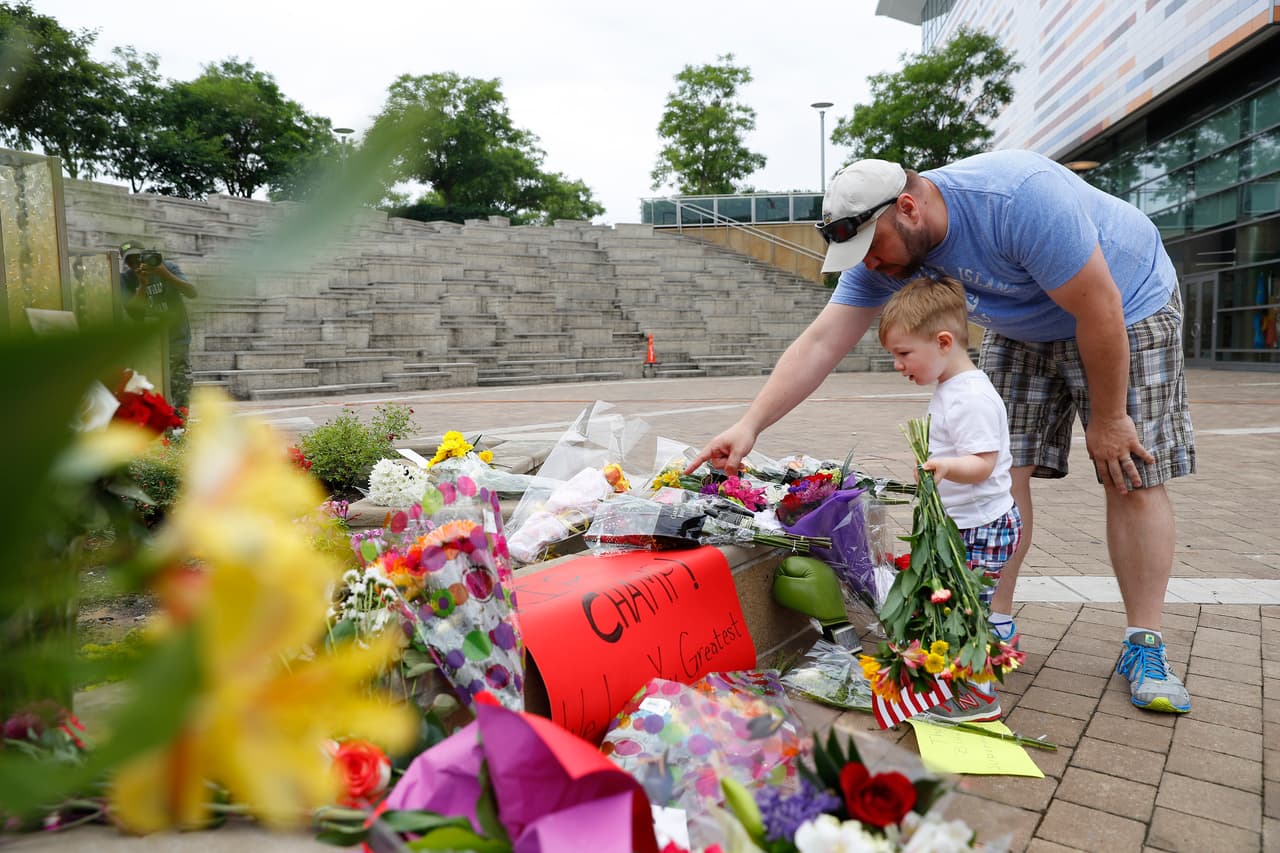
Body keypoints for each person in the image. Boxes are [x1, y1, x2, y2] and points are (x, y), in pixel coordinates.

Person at [689, 150, 1194, 714]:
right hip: (1020, 325)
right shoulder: (885, 248)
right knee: (1002, 471)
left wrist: (1110, 419)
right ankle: (990, 624)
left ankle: (1143, 642)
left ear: (907, 208)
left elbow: (1098, 306)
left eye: (874, 251)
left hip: (1125, 308)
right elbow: (821, 341)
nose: (873, 266)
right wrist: (749, 424)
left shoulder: (1017, 200)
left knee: (1128, 471)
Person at [877, 275, 1021, 722]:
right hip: (969, 521)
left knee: (965, 608)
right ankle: (954, 680)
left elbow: (981, 462)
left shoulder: (970, 397)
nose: (899, 366)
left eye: (903, 354)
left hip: (981, 525)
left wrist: (944, 467)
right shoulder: (952, 388)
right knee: (956, 602)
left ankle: (977, 697)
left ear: (943, 342)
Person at [119, 241, 198, 411]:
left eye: (137, 259)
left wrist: (165, 274)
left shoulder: (167, 267)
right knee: (152, 390)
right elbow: (135, 314)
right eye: (129, 261)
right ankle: (159, 431)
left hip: (176, 338)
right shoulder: (125, 279)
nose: (134, 264)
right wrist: (142, 285)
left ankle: (180, 431)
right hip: (149, 345)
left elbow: (192, 292)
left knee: (181, 388)